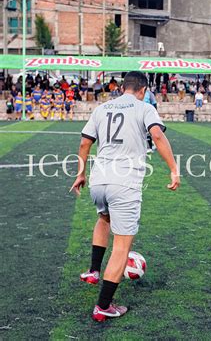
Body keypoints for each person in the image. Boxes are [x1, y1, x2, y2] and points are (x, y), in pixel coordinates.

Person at [70, 71, 180, 322]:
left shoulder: (101, 108)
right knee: (122, 246)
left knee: (104, 219)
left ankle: (94, 271)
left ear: (122, 88)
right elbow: (158, 135)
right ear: (143, 90)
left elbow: (85, 143)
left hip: (99, 179)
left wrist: (80, 173)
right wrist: (174, 169)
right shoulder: (145, 108)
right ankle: (103, 306)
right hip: (125, 182)